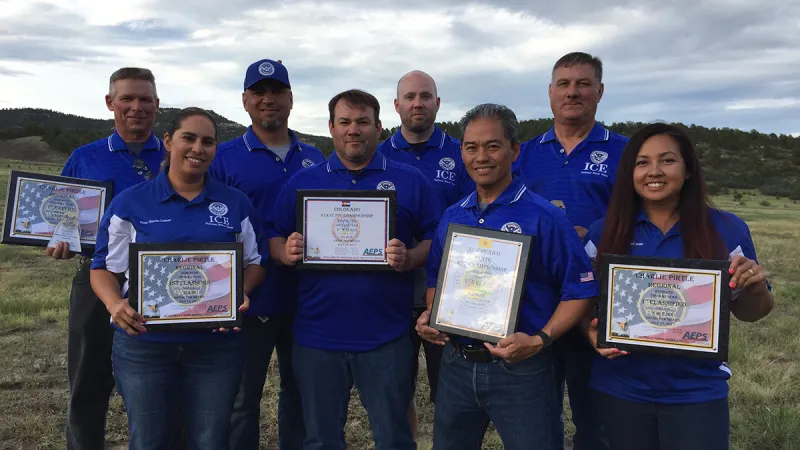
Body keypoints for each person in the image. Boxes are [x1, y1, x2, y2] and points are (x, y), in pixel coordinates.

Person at [416, 103, 599, 450]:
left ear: (514, 150)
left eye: (492, 146)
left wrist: (540, 340)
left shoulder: (545, 217)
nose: (481, 156)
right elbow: (434, 281)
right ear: (462, 153)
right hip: (457, 363)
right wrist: (432, 315)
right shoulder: (453, 216)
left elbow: (579, 290)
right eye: (471, 147)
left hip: (524, 370)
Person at [581, 123, 774, 450]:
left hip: (696, 393)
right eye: (642, 163)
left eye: (667, 160)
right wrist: (589, 331)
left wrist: (754, 287)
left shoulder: (727, 229)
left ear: (687, 170)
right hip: (620, 389)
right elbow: (581, 302)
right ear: (630, 173)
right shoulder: (604, 232)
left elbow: (753, 312)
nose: (653, 171)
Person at [267, 89, 441, 449]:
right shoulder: (303, 182)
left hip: (386, 335)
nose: (353, 130)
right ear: (331, 127)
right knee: (320, 438)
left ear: (379, 127)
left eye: (363, 122)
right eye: (344, 122)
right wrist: (285, 252)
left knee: (393, 436)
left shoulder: (410, 180)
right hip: (316, 336)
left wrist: (409, 257)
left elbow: (434, 240)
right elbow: (273, 235)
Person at [89, 107, 270, 450]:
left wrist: (239, 293)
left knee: (210, 439)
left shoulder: (236, 204)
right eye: (189, 138)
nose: (197, 148)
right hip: (144, 345)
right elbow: (103, 268)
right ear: (170, 142)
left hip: (215, 348)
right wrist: (114, 303)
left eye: (208, 142)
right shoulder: (131, 203)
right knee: (149, 440)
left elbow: (256, 262)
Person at [512, 51, 628, 450]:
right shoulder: (523, 153)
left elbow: (643, 220)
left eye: (582, 84)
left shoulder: (626, 152)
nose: (572, 92)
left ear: (600, 91)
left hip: (596, 301)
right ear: (550, 92)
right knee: (536, 413)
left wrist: (594, 236)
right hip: (533, 299)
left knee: (593, 415)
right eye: (564, 84)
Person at [210, 58, 326, 450]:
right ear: (245, 100)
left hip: (304, 300)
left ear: (291, 98)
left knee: (300, 394)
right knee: (241, 399)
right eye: (259, 93)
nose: (268, 100)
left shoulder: (315, 158)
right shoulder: (223, 158)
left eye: (277, 92)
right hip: (246, 299)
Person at [49, 67, 165, 450]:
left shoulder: (176, 153)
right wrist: (60, 242)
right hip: (98, 281)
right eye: (127, 98)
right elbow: (63, 220)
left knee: (164, 387)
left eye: (145, 99)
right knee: (87, 383)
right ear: (109, 103)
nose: (136, 107)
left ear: (157, 104)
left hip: (163, 281)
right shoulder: (85, 158)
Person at [377, 69, 474, 436]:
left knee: (450, 387)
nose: (418, 103)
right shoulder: (380, 154)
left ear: (437, 103)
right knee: (398, 387)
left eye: (425, 96)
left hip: (451, 289)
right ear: (397, 105)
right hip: (393, 289)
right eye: (410, 97)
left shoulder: (460, 151)